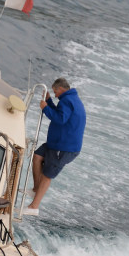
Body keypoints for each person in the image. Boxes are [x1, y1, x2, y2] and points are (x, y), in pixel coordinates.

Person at [25, 78, 86, 215]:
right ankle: (36, 190)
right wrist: (49, 102)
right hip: (56, 143)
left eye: (55, 92)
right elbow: (60, 113)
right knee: (37, 156)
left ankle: (34, 207)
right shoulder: (69, 99)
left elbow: (60, 119)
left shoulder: (68, 101)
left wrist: (45, 108)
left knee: (47, 176)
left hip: (64, 147)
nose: (55, 94)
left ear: (61, 89)